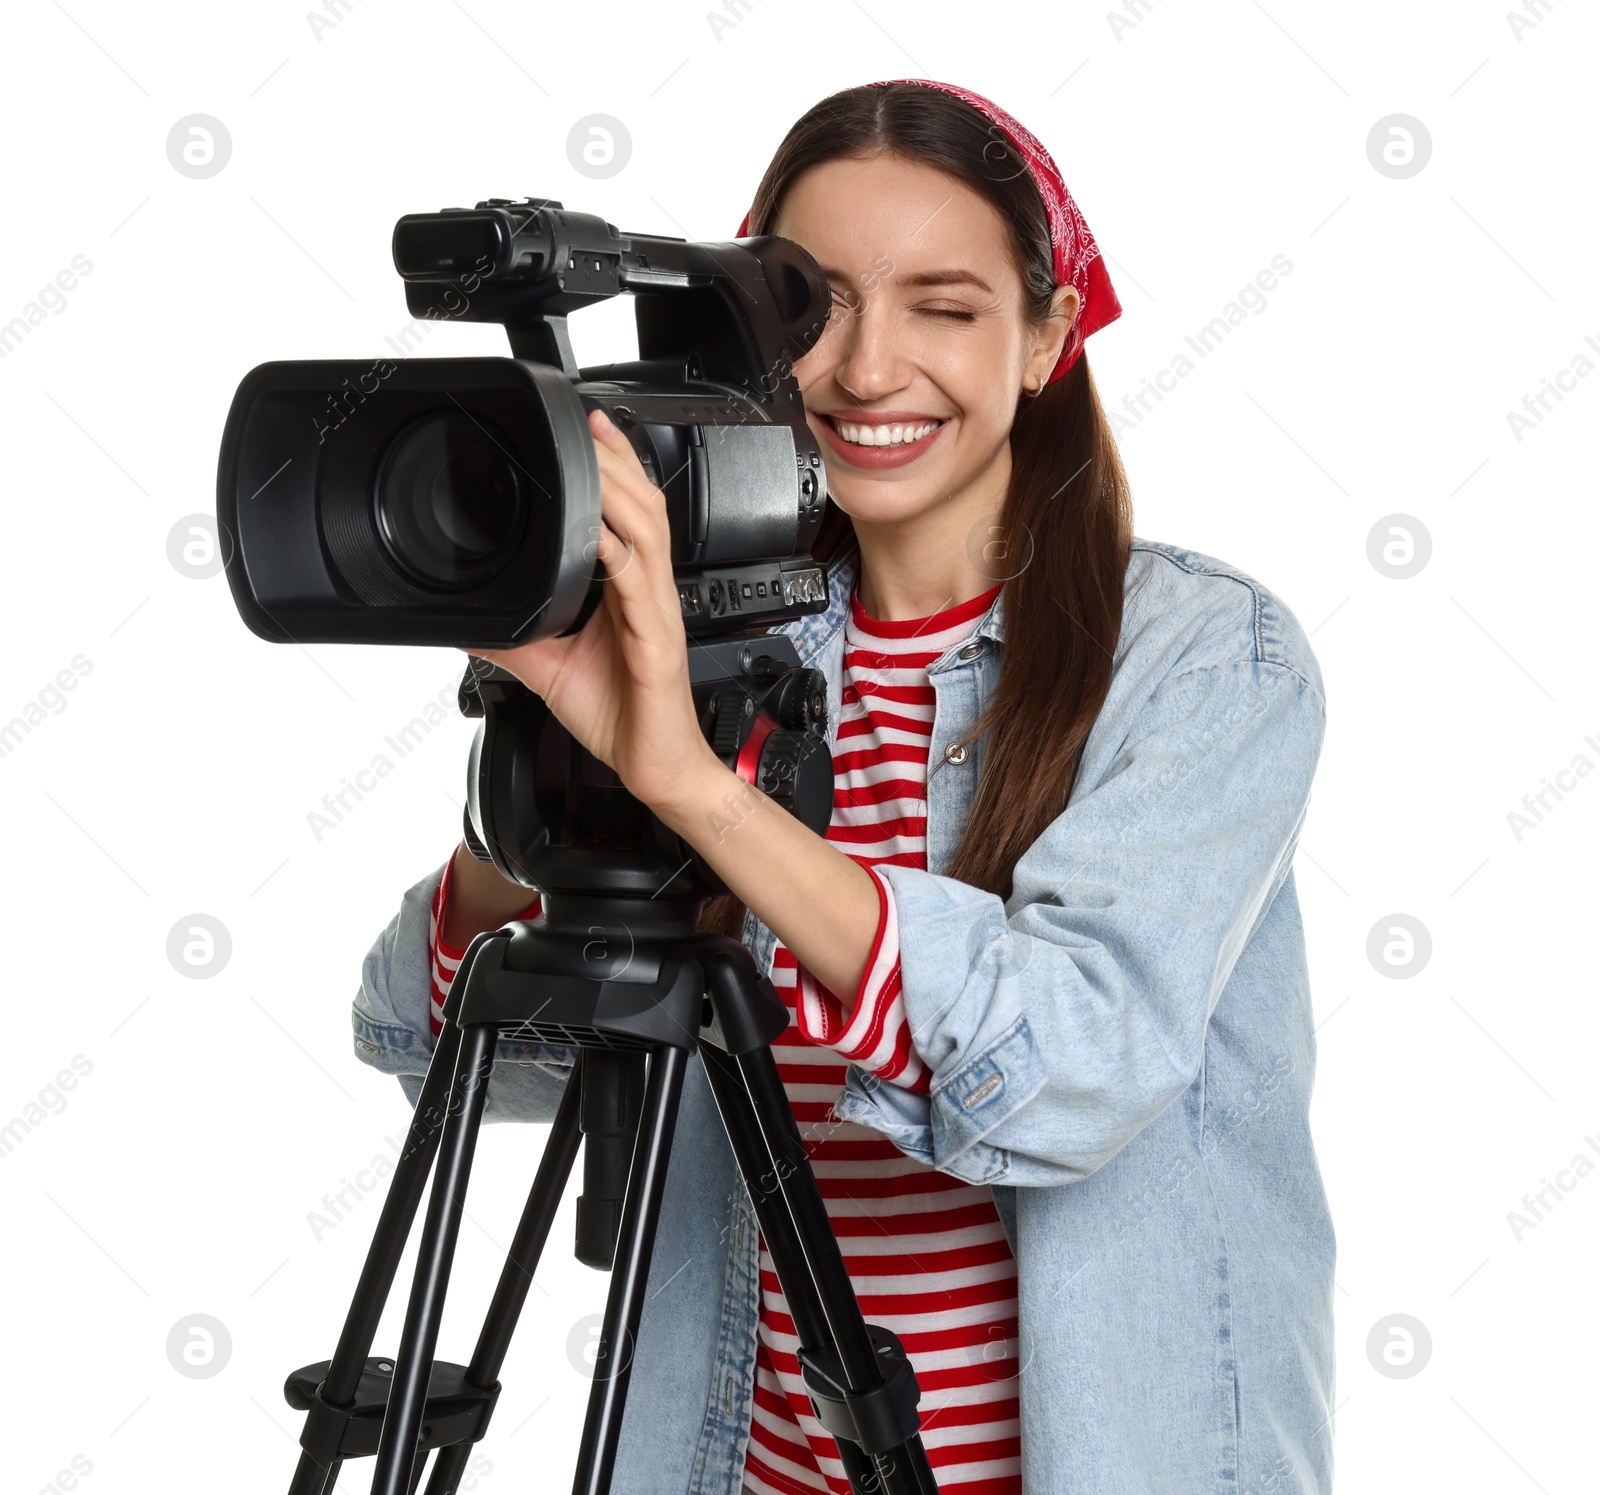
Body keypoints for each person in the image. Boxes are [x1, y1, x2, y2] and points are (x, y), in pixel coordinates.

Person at [352, 78, 1336, 1495]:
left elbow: (1072, 1067)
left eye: (945, 307)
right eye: (813, 311)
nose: (872, 372)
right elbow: (429, 1040)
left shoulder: (1199, 662)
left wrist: (701, 797)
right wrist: (566, 754)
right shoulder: (715, 649)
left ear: (1049, 335)